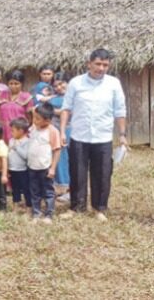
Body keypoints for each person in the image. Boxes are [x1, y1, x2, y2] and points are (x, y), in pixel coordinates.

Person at [60, 49, 127, 222]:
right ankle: (76, 207)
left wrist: (122, 134)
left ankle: (100, 208)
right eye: (98, 64)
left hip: (103, 137)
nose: (101, 68)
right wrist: (61, 131)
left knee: (103, 173)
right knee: (77, 172)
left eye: (105, 65)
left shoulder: (113, 84)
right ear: (89, 63)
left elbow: (120, 111)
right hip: (79, 136)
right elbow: (66, 109)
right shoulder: (76, 83)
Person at [28, 103, 61, 223]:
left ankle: (49, 214)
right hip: (32, 166)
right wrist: (35, 112)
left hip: (45, 167)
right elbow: (33, 111)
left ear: (47, 120)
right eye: (34, 117)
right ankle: (36, 213)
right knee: (34, 191)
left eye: (38, 118)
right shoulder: (33, 128)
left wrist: (52, 168)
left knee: (48, 191)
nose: (34, 120)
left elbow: (57, 150)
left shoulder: (52, 131)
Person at [49, 72, 71, 202]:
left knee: (67, 160)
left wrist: (52, 110)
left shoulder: (73, 97)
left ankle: (69, 189)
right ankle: (57, 188)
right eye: (56, 85)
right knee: (56, 160)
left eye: (62, 83)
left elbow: (70, 112)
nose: (59, 87)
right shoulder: (53, 98)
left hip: (68, 131)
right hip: (54, 132)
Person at [0, 70, 34, 143]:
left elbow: (30, 119)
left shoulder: (26, 97)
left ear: (22, 84)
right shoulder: (1, 95)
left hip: (18, 131)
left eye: (16, 84)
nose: (13, 86)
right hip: (2, 130)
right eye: (11, 83)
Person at [8, 118, 32, 211]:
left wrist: (17, 147)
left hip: (23, 170)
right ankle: (16, 204)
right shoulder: (11, 140)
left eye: (13, 131)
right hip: (12, 169)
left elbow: (26, 156)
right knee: (15, 188)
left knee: (26, 188)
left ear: (21, 131)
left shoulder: (27, 141)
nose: (11, 133)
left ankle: (29, 205)